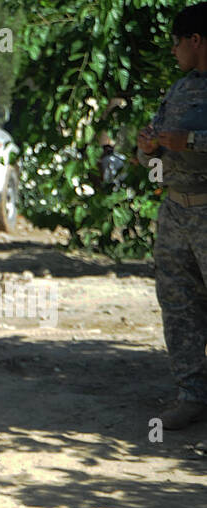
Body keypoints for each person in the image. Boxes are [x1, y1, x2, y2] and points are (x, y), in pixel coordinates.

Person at [138, 2, 207, 430]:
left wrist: (192, 141)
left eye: (176, 42)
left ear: (196, 40)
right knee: (178, 305)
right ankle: (192, 395)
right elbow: (155, 166)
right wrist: (148, 151)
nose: (173, 51)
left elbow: (188, 142)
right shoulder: (179, 89)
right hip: (176, 214)